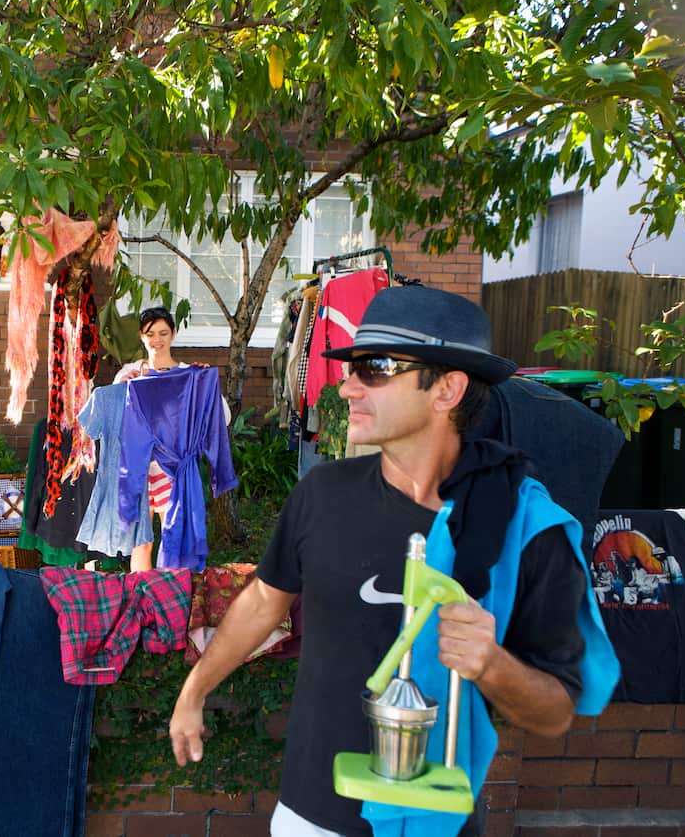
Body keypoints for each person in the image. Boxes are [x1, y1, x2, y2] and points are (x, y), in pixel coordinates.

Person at [168, 286, 616, 836]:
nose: (348, 386)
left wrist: (491, 663)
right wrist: (195, 690)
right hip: (307, 815)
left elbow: (555, 712)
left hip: (433, 822)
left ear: (448, 388)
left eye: (376, 368)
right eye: (352, 366)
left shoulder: (524, 528)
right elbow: (265, 599)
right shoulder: (322, 494)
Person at [113, 306, 229, 571]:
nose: (157, 339)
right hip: (137, 470)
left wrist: (203, 385)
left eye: (163, 332)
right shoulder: (128, 374)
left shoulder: (189, 373)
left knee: (173, 536)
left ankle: (170, 599)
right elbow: (114, 421)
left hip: (172, 470)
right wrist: (124, 389)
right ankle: (141, 599)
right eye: (150, 333)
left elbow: (222, 414)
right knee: (140, 542)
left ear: (173, 335)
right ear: (142, 337)